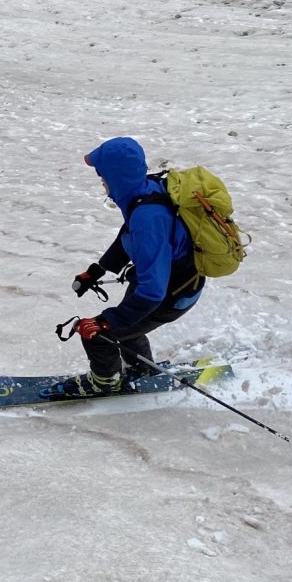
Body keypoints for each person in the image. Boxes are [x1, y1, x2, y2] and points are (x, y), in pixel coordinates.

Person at [70, 136, 205, 392]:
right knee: (124, 324)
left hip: (173, 293)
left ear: (117, 175)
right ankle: (143, 370)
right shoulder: (144, 193)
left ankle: (104, 382)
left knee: (99, 335)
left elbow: (153, 291)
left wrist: (106, 322)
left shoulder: (148, 218)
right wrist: (97, 270)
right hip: (168, 283)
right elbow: (128, 235)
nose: (101, 181)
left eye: (103, 174)